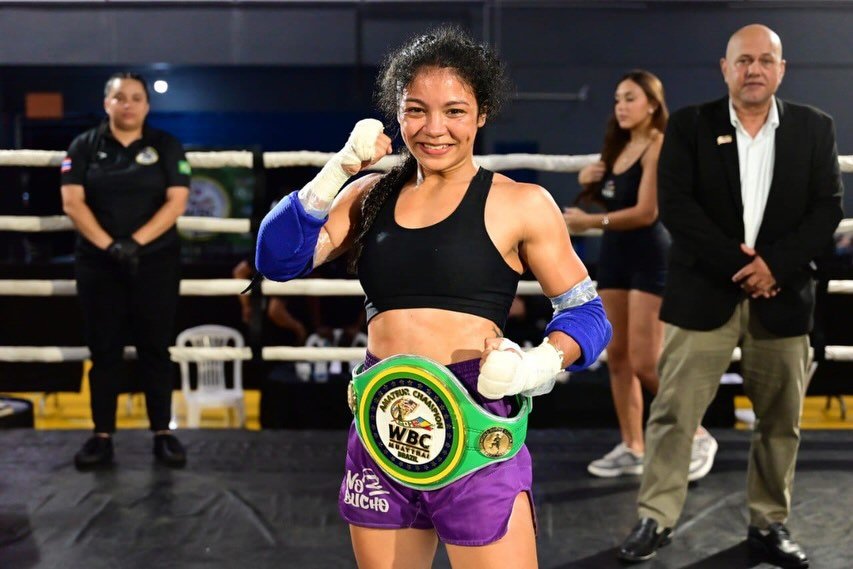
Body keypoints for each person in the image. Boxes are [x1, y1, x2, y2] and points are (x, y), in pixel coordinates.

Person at [255, 26, 611, 568]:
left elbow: (588, 313)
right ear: (397, 115)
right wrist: (338, 170)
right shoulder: (369, 195)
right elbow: (276, 259)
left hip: (475, 418)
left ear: (482, 114)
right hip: (382, 420)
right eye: (416, 111)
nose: (434, 128)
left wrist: (535, 366)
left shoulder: (521, 203)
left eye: (454, 111)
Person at [617, 24, 843, 568]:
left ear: (781, 69)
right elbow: (677, 207)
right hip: (703, 293)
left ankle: (769, 523)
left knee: (780, 421)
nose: (754, 70)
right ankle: (656, 518)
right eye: (744, 60)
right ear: (725, 68)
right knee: (674, 412)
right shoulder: (691, 125)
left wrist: (774, 266)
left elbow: (827, 209)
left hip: (783, 296)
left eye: (765, 60)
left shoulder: (815, 128)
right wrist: (744, 267)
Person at [564, 71, 717, 481]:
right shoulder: (619, 149)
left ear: (652, 104)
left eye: (630, 98)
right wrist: (590, 181)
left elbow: (647, 212)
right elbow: (617, 203)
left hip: (650, 256)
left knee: (647, 361)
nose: (621, 106)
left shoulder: (658, 145)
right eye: (617, 99)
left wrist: (589, 222)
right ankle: (633, 447)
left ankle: (697, 435)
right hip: (616, 255)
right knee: (617, 357)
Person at [61, 72, 191, 469]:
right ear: (107, 103)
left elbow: (177, 201)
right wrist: (110, 247)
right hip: (99, 264)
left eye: (136, 97)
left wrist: (135, 243)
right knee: (103, 350)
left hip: (156, 262)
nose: (128, 104)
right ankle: (101, 436)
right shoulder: (84, 145)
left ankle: (162, 433)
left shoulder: (166, 145)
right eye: (120, 97)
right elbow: (72, 202)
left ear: (147, 105)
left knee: (156, 347)